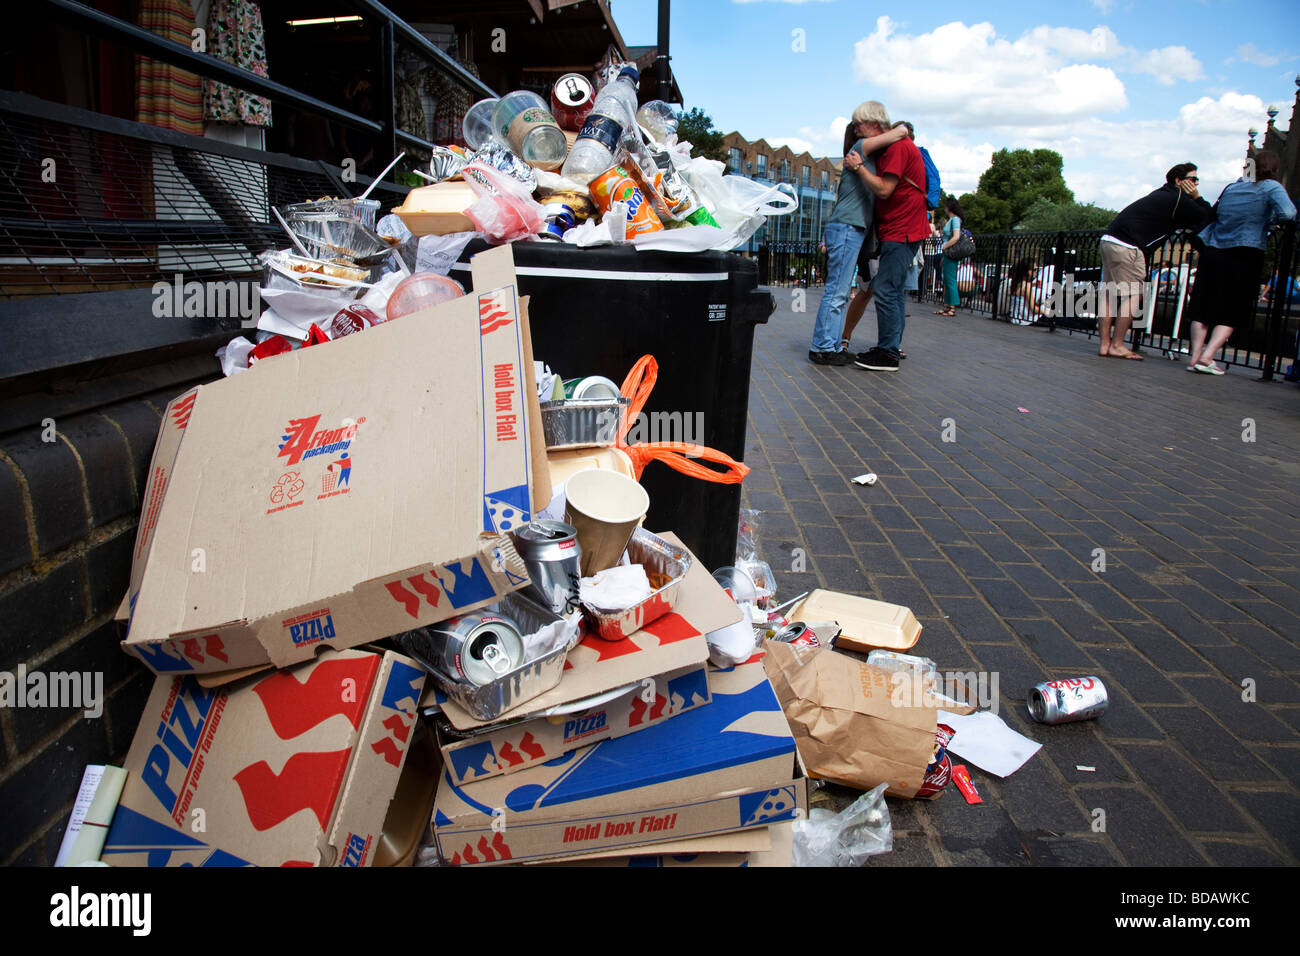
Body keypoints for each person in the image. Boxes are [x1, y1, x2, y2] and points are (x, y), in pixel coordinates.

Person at [807, 113, 909, 365]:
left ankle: (831, 345)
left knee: (842, 291)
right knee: (837, 290)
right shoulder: (859, 148)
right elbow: (900, 132)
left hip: (849, 228)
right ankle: (822, 346)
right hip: (846, 228)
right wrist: (895, 129)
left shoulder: (860, 155)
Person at [1184, 150, 1296, 374]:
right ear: (1272, 168)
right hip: (1245, 251)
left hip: (1214, 251)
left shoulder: (1232, 187)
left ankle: (1194, 357)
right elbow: (1288, 213)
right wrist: (1270, 221)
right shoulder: (1270, 187)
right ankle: (1207, 356)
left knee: (1203, 306)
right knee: (1234, 307)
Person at [843, 103, 932, 372]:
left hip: (902, 229)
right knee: (891, 290)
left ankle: (888, 353)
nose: (856, 129)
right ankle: (889, 347)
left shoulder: (897, 148)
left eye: (859, 124)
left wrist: (859, 168)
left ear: (875, 124)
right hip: (900, 228)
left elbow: (884, 189)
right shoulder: (896, 145)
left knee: (885, 289)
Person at [1097, 163, 1213, 361]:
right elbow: (1208, 215)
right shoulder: (1178, 199)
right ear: (1179, 181)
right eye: (1193, 180)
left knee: (1109, 292)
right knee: (1134, 294)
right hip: (1129, 246)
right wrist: (1197, 197)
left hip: (1109, 239)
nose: (1196, 184)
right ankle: (1116, 345)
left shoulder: (1161, 194)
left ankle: (1105, 344)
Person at [935, 197, 965, 317]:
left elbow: (956, 236)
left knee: (950, 279)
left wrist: (945, 246)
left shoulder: (955, 220)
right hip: (947, 252)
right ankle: (947, 305)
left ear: (949, 207)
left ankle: (952, 306)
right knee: (947, 279)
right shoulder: (952, 220)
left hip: (950, 251)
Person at [998, 258, 1049, 325]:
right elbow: (1034, 309)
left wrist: (1033, 284)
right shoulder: (1027, 286)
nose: (1036, 271)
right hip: (1027, 320)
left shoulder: (1015, 283)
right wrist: (1046, 311)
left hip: (1015, 318)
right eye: (1034, 269)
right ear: (1028, 271)